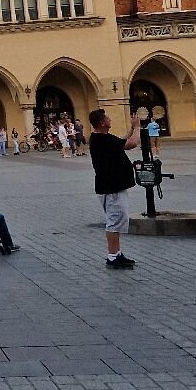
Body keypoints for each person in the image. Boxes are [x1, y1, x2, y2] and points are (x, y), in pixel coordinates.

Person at [88, 108, 140, 269]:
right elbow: (131, 144)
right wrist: (137, 128)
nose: (110, 119)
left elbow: (121, 141)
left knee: (117, 220)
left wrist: (131, 129)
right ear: (102, 122)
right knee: (114, 222)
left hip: (112, 186)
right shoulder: (101, 140)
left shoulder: (102, 138)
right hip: (112, 188)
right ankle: (112, 256)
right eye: (107, 118)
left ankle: (116, 253)